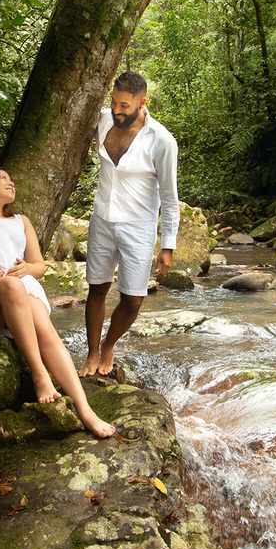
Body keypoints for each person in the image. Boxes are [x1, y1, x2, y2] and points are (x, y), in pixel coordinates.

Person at [0, 169, 115, 439]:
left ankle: (85, 410)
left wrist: (27, 267)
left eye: (11, 179)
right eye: (3, 178)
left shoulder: (21, 221)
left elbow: (39, 266)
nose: (11, 181)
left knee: (46, 329)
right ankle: (41, 376)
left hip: (21, 287)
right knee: (10, 285)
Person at [78, 71, 179, 378]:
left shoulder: (161, 140)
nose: (117, 110)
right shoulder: (103, 120)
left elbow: (169, 196)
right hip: (102, 220)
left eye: (124, 105)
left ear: (142, 102)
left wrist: (167, 245)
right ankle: (93, 351)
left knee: (133, 300)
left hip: (139, 226)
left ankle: (109, 344)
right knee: (96, 289)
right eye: (113, 102)